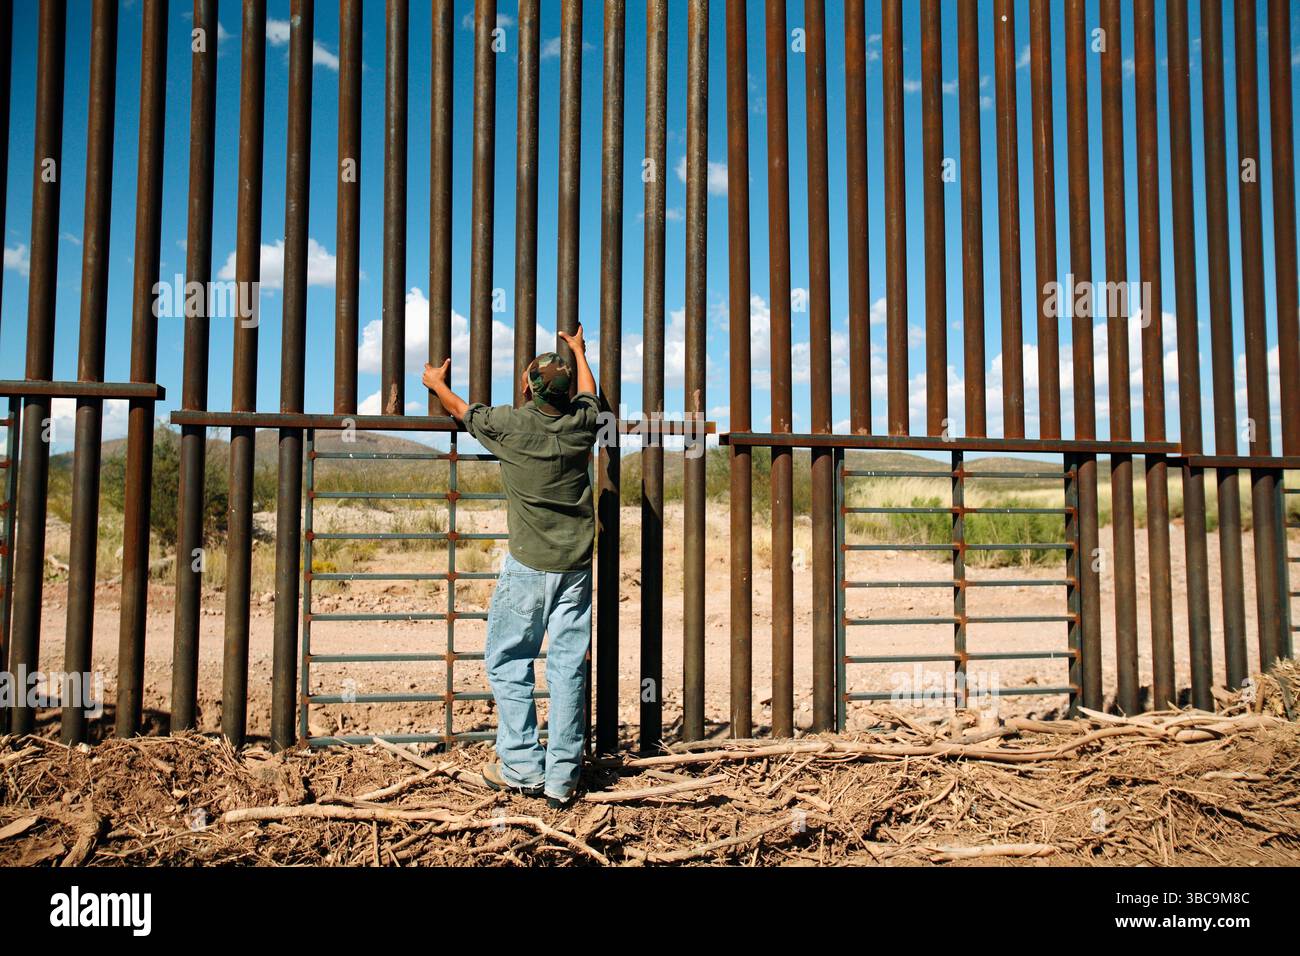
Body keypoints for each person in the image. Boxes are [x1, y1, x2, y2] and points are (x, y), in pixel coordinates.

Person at [421, 325, 598, 809]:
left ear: (527, 388)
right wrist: (580, 353)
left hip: (527, 567)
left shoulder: (512, 426)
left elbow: (461, 410)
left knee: (508, 661)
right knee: (566, 669)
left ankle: (521, 768)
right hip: (576, 568)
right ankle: (563, 779)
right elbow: (590, 393)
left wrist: (435, 383)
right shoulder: (585, 423)